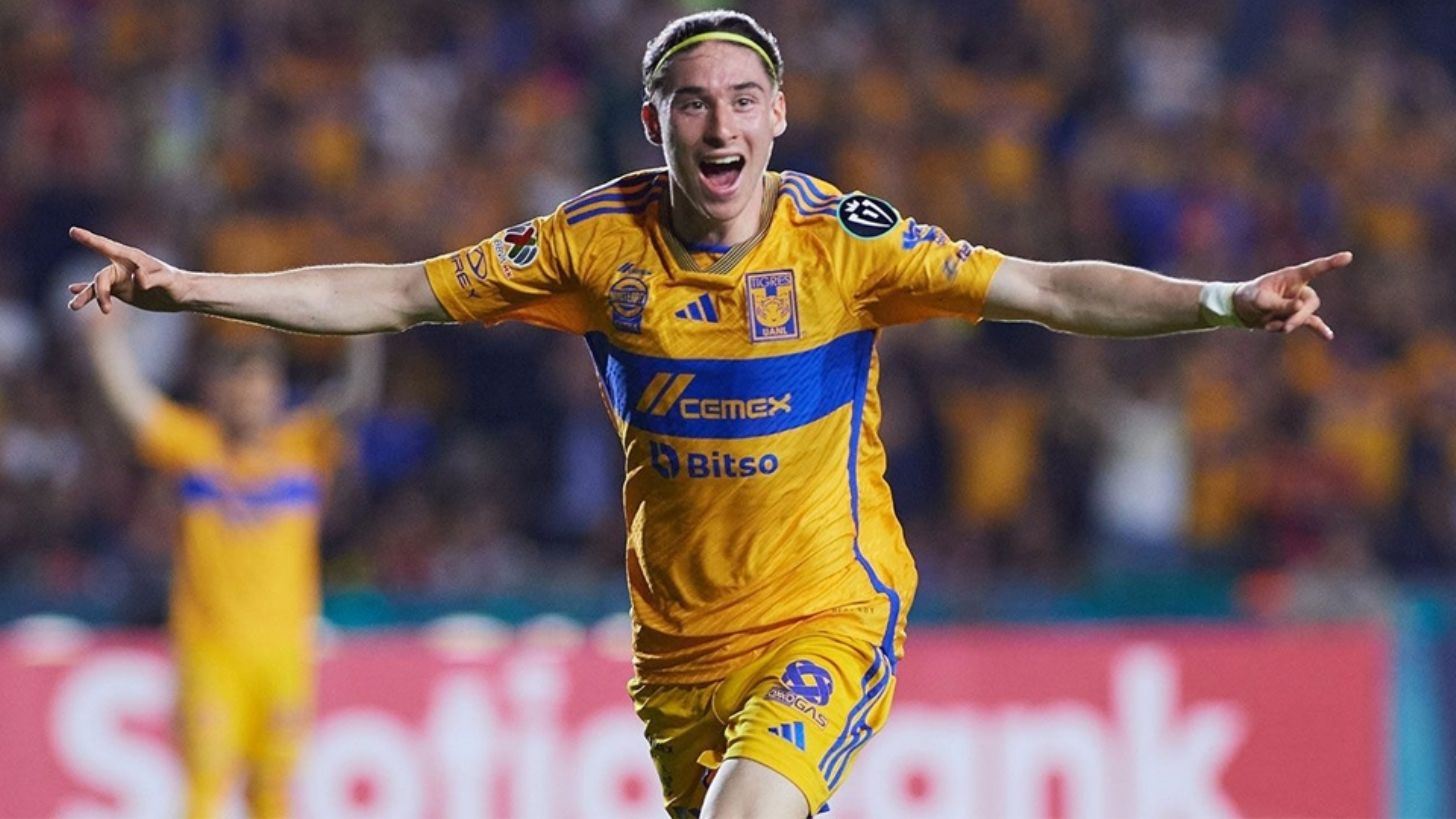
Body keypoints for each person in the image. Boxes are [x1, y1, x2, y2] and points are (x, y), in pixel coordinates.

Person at [67, 10, 1347, 818]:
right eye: (693, 100)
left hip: (828, 615)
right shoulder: (591, 243)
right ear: (655, 123)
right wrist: (195, 289)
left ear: (778, 117)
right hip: (677, 655)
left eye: (742, 99)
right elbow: (397, 291)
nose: (719, 121)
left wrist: (1223, 301)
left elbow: (1049, 289)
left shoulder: (846, 242)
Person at [82, 311, 381, 819]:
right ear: (218, 393)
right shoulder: (196, 447)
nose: (250, 397)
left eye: (261, 385)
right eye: (239, 385)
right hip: (208, 652)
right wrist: (102, 342)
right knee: (204, 790)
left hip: (285, 653)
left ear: (278, 391)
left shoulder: (304, 445)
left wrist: (368, 326)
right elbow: (135, 409)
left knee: (273, 793)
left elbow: (356, 399)